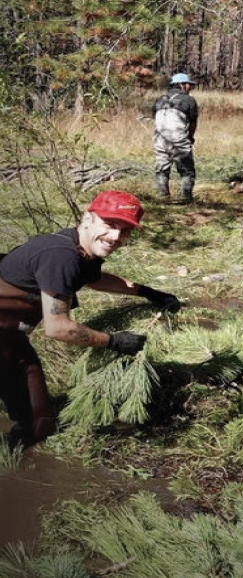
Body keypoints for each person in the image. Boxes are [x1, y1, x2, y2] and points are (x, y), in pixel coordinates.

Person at [0, 190, 182, 450]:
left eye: (126, 230)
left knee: (36, 415)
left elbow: (95, 279)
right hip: (5, 338)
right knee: (36, 421)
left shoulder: (80, 248)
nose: (116, 237)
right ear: (88, 219)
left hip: (10, 336)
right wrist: (113, 342)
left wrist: (147, 292)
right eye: (110, 225)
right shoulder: (61, 256)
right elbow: (58, 327)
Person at [152, 72, 198, 202]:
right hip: (178, 139)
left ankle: (163, 198)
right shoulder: (189, 100)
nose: (190, 88)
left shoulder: (160, 99)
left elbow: (155, 119)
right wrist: (190, 137)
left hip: (159, 139)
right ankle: (186, 199)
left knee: (162, 168)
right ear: (181, 85)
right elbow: (193, 123)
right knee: (187, 170)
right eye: (189, 85)